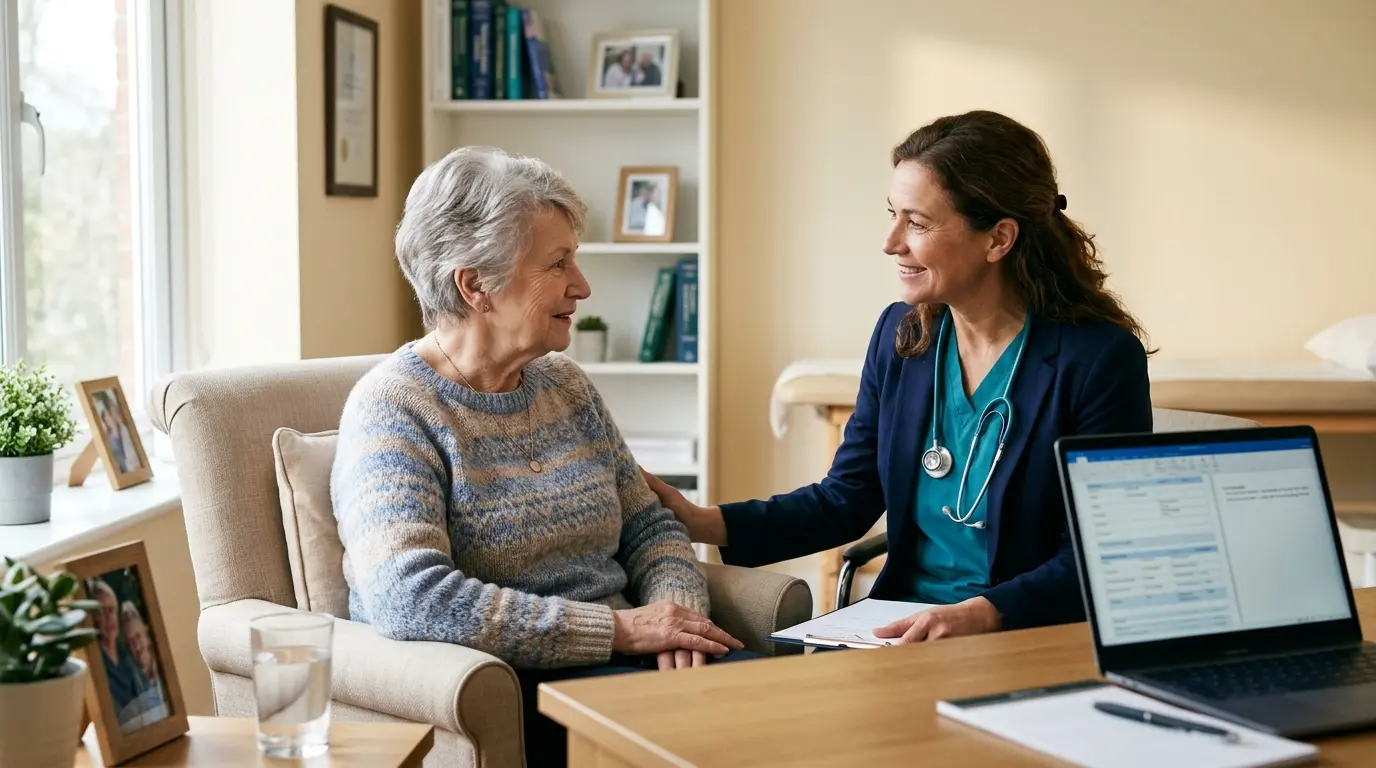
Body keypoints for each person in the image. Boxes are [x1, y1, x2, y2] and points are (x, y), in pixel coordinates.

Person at [645, 110, 1153, 641]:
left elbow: (1099, 551)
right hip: (896, 625)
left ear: (998, 238)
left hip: (1021, 632)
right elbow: (847, 498)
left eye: (917, 222)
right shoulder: (902, 336)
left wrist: (981, 612)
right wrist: (702, 520)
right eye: (893, 215)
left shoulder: (1097, 359)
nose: (891, 243)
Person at [332, 146, 750, 767]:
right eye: (558, 265)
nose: (581, 286)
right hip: (526, 684)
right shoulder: (394, 408)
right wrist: (621, 631)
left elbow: (649, 523)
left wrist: (678, 620)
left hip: (639, 659)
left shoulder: (564, 384)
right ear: (475, 285)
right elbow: (408, 596)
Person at [88, 579, 146, 723]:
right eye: (102, 612)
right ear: (94, 618)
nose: (109, 618)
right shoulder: (96, 662)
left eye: (112, 610)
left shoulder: (128, 655)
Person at [118, 601, 169, 732]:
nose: (136, 646)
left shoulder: (164, 668)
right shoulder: (129, 681)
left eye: (138, 636)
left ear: (146, 633)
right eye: (130, 642)